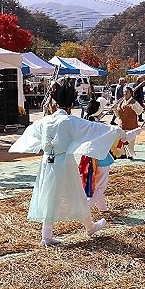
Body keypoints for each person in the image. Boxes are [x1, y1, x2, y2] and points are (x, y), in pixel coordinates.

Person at [10, 80, 120, 247]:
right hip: (64, 161)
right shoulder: (68, 120)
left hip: (47, 162)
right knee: (77, 195)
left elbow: (31, 133)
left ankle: (47, 235)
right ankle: (89, 227)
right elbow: (92, 128)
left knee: (49, 196)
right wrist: (117, 131)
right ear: (69, 107)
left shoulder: (44, 121)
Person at [79, 99, 123, 212]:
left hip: (88, 158)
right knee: (101, 187)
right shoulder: (100, 126)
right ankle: (86, 207)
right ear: (99, 111)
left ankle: (102, 208)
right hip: (102, 159)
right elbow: (116, 135)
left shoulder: (85, 124)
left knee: (97, 185)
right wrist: (131, 133)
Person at [113, 86, 145, 159]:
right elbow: (118, 114)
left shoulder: (134, 102)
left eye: (127, 92)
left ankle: (130, 155)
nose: (125, 93)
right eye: (124, 92)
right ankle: (122, 154)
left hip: (131, 126)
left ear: (131, 93)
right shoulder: (121, 102)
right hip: (122, 125)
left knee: (130, 142)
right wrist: (115, 109)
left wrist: (134, 107)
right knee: (121, 141)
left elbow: (140, 111)